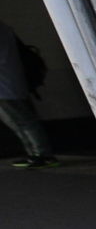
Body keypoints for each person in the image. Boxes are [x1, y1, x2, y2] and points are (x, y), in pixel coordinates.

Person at [0, 20, 53, 169]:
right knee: (21, 121)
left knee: (23, 121)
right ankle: (35, 153)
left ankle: (42, 154)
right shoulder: (5, 28)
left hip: (5, 86)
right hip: (10, 82)